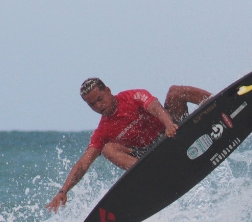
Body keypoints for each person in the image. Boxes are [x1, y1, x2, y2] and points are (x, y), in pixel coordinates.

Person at [45, 78, 212, 213]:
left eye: (100, 99)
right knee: (107, 148)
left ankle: (225, 103)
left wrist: (169, 124)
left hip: (171, 131)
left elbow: (154, 107)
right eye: (92, 104)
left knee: (176, 91)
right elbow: (83, 163)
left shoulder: (132, 96)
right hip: (150, 156)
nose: (98, 106)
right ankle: (151, 175)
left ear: (108, 91)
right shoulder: (103, 131)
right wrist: (63, 191)